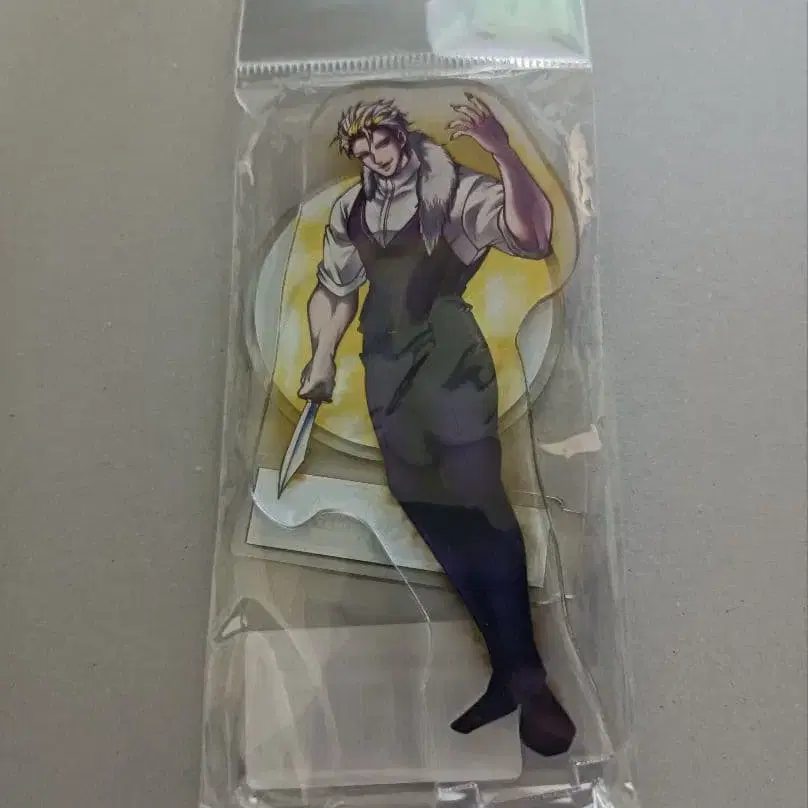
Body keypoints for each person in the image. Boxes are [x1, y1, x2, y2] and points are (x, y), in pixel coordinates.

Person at [298, 96, 575, 756]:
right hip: (385, 367)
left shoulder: (453, 190)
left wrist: (503, 151)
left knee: (480, 506)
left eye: (381, 144)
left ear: (401, 135)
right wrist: (320, 356)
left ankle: (531, 684)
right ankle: (510, 670)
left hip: (450, 361)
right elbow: (335, 288)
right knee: (427, 510)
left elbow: (532, 236)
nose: (374, 160)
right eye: (361, 154)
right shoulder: (354, 207)